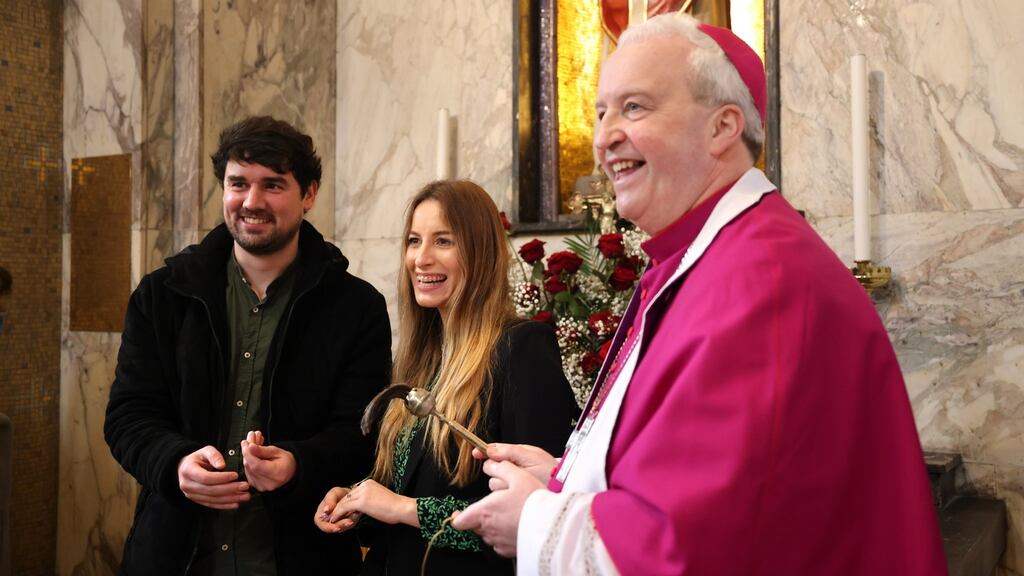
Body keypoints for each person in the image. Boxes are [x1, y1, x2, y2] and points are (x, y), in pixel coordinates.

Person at [453, 13, 948, 575]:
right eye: (601, 112)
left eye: (634, 107)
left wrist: (537, 521)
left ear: (723, 127)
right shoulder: (710, 259)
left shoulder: (759, 283)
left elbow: (697, 545)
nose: (603, 138)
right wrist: (566, 477)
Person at [104, 116, 392, 576]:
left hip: (298, 558)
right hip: (175, 556)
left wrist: (297, 464)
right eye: (238, 184)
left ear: (309, 194)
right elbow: (128, 416)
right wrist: (174, 463)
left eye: (273, 185)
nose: (252, 202)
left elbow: (362, 435)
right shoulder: (162, 296)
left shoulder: (357, 307)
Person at [313, 180, 579, 574]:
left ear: (479, 252)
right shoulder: (423, 357)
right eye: (414, 241)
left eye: (443, 241)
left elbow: (536, 515)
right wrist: (359, 500)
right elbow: (415, 485)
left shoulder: (521, 348)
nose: (421, 259)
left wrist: (402, 508)